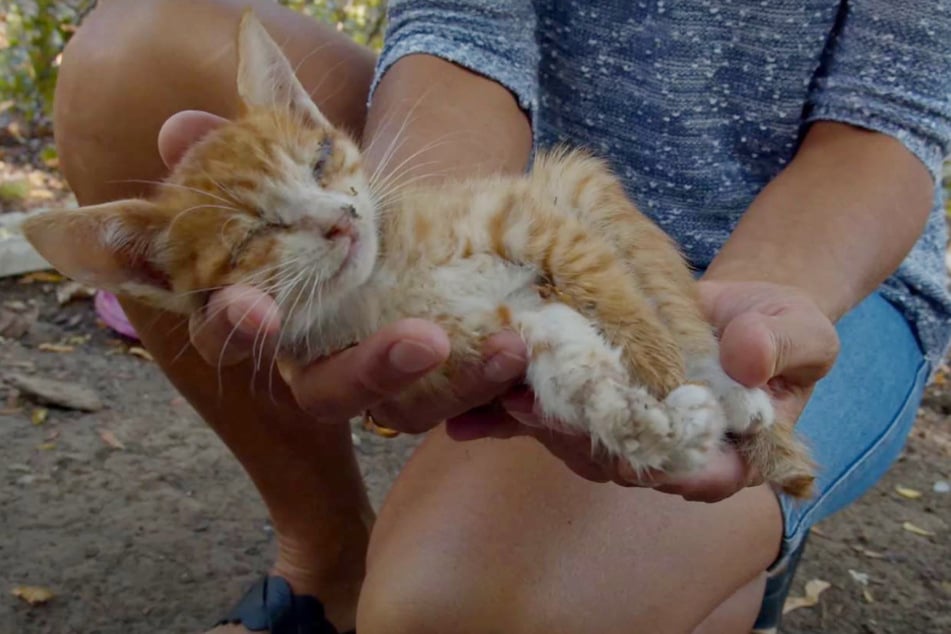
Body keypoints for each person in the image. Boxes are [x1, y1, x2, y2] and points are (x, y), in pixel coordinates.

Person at [53, 1, 950, 632]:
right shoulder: (334, 208)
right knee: (132, 52)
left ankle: (718, 569)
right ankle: (328, 564)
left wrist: (732, 316)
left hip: (814, 253)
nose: (328, 216)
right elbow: (461, 29)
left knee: (457, 615)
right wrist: (440, 248)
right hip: (516, 177)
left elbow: (889, 120)